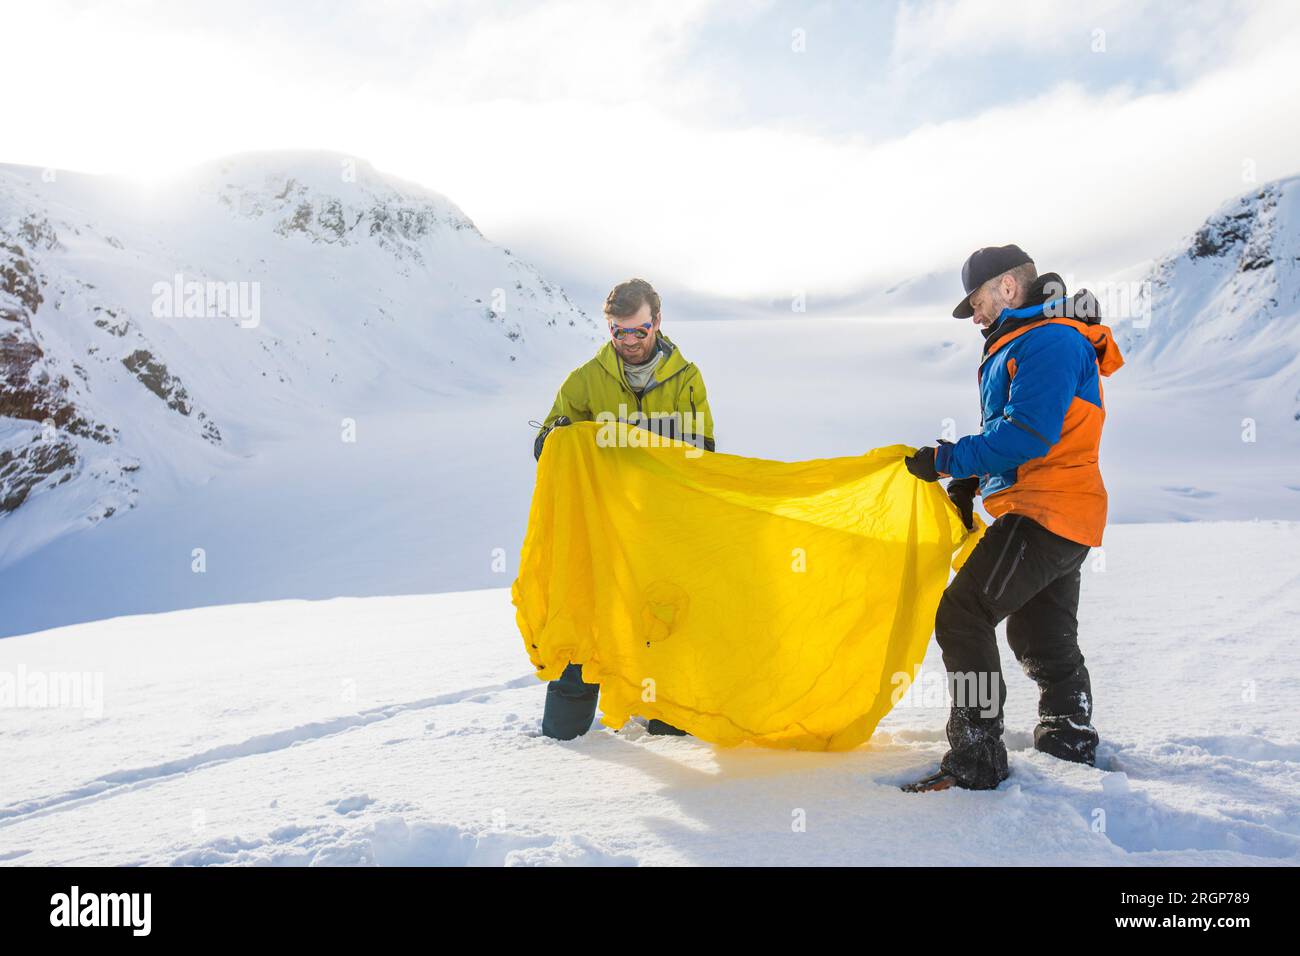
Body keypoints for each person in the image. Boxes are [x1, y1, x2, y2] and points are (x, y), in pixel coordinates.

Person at [901, 244, 1124, 792]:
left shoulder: (1047, 339)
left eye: (975, 301)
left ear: (1006, 287)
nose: (973, 315)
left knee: (962, 613)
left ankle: (976, 755)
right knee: (1040, 634)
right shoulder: (1027, 340)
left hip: (1044, 510)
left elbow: (1029, 432)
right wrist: (972, 480)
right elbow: (1022, 433)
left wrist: (951, 459)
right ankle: (1068, 735)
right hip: (1063, 510)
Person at [532, 277, 716, 740]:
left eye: (639, 330)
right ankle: (562, 739)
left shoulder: (686, 380)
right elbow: (546, 448)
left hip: (661, 529)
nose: (629, 341)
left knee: (664, 623)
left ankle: (670, 724)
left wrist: (638, 451)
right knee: (583, 622)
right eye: (619, 331)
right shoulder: (584, 381)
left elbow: (703, 455)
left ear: (657, 322)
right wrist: (562, 440)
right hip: (599, 531)